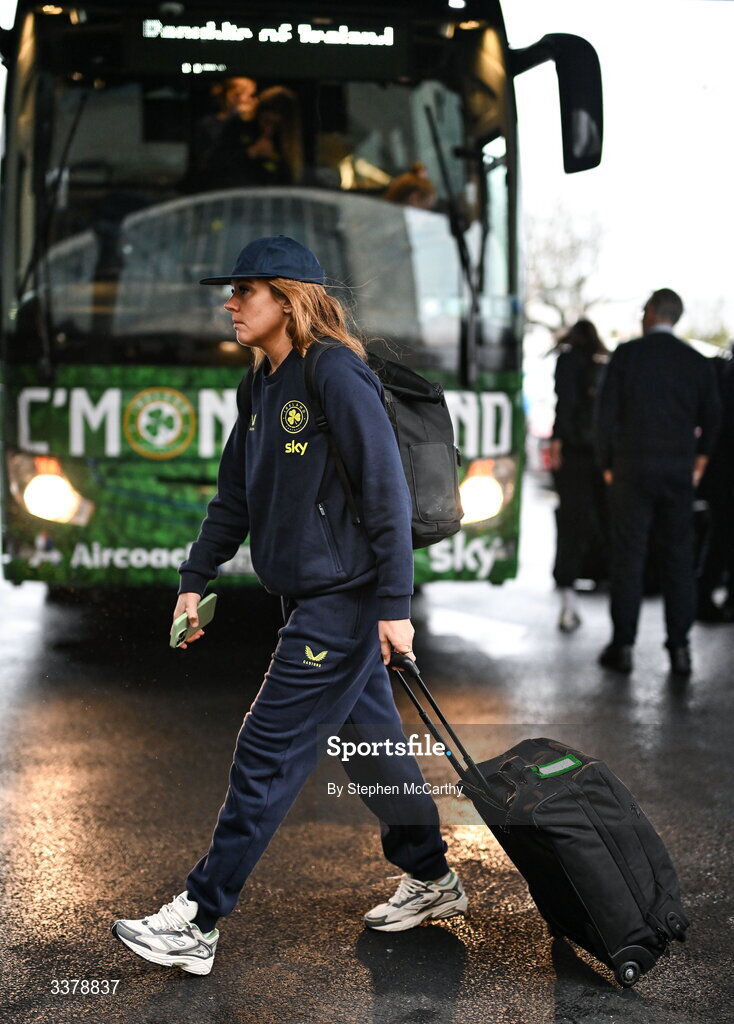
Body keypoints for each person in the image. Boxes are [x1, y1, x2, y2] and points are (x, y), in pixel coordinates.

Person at [111, 236, 466, 976]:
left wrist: (393, 606)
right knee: (375, 752)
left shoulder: (334, 370)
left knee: (266, 750)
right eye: (231, 292)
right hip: (314, 594)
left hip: (344, 600)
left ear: (289, 296)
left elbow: (386, 496)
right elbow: (233, 495)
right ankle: (433, 877)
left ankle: (200, 919)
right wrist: (193, 577)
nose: (230, 303)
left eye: (245, 291)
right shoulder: (261, 384)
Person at [595, 288, 721, 676]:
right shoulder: (697, 362)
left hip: (632, 472)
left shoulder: (627, 356)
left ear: (650, 312)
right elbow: (714, 417)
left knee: (629, 559)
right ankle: (680, 649)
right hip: (678, 474)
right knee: (678, 560)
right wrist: (698, 463)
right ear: (676, 317)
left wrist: (607, 466)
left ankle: (624, 647)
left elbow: (605, 415)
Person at [549, 320, 609, 632]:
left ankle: (568, 603)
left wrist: (556, 443)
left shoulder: (568, 360)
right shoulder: (604, 361)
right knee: (608, 525)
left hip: (574, 454)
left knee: (571, 524)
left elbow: (565, 403)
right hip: (602, 457)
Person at [696, 353, 734, 621]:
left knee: (722, 535)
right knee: (723, 536)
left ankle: (707, 596)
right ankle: (705, 596)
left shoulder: (724, 371)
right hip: (726, 472)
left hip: (720, 471)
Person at [188, 76, 260, 191]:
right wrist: (236, 116)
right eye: (250, 95)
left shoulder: (256, 125)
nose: (254, 100)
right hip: (217, 188)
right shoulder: (208, 125)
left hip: (248, 188)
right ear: (233, 96)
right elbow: (206, 162)